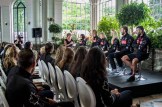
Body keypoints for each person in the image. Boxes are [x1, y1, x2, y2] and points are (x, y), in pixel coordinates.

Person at [6, 49, 74, 107]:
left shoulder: (13, 70)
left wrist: (46, 100)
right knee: (69, 105)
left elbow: (33, 99)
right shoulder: (26, 85)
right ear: (34, 64)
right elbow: (37, 104)